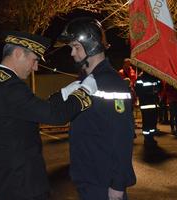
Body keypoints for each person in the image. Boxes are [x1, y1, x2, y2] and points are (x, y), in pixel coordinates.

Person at [0, 31, 97, 200]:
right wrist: (84, 92)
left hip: (9, 177)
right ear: (18, 53)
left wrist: (63, 93)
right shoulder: (10, 87)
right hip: (23, 183)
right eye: (34, 60)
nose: (35, 67)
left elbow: (31, 109)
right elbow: (56, 115)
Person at [57, 17, 136, 200]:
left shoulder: (111, 83)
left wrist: (118, 184)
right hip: (89, 178)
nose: (72, 54)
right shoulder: (87, 81)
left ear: (91, 45)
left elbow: (123, 137)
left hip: (104, 183)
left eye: (76, 47)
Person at [134, 71, 161, 148]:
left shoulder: (155, 77)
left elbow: (160, 86)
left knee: (153, 122)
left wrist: (157, 90)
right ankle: (147, 139)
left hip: (153, 104)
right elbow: (138, 91)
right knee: (147, 122)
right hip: (146, 104)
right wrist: (149, 93)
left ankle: (151, 137)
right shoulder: (141, 78)